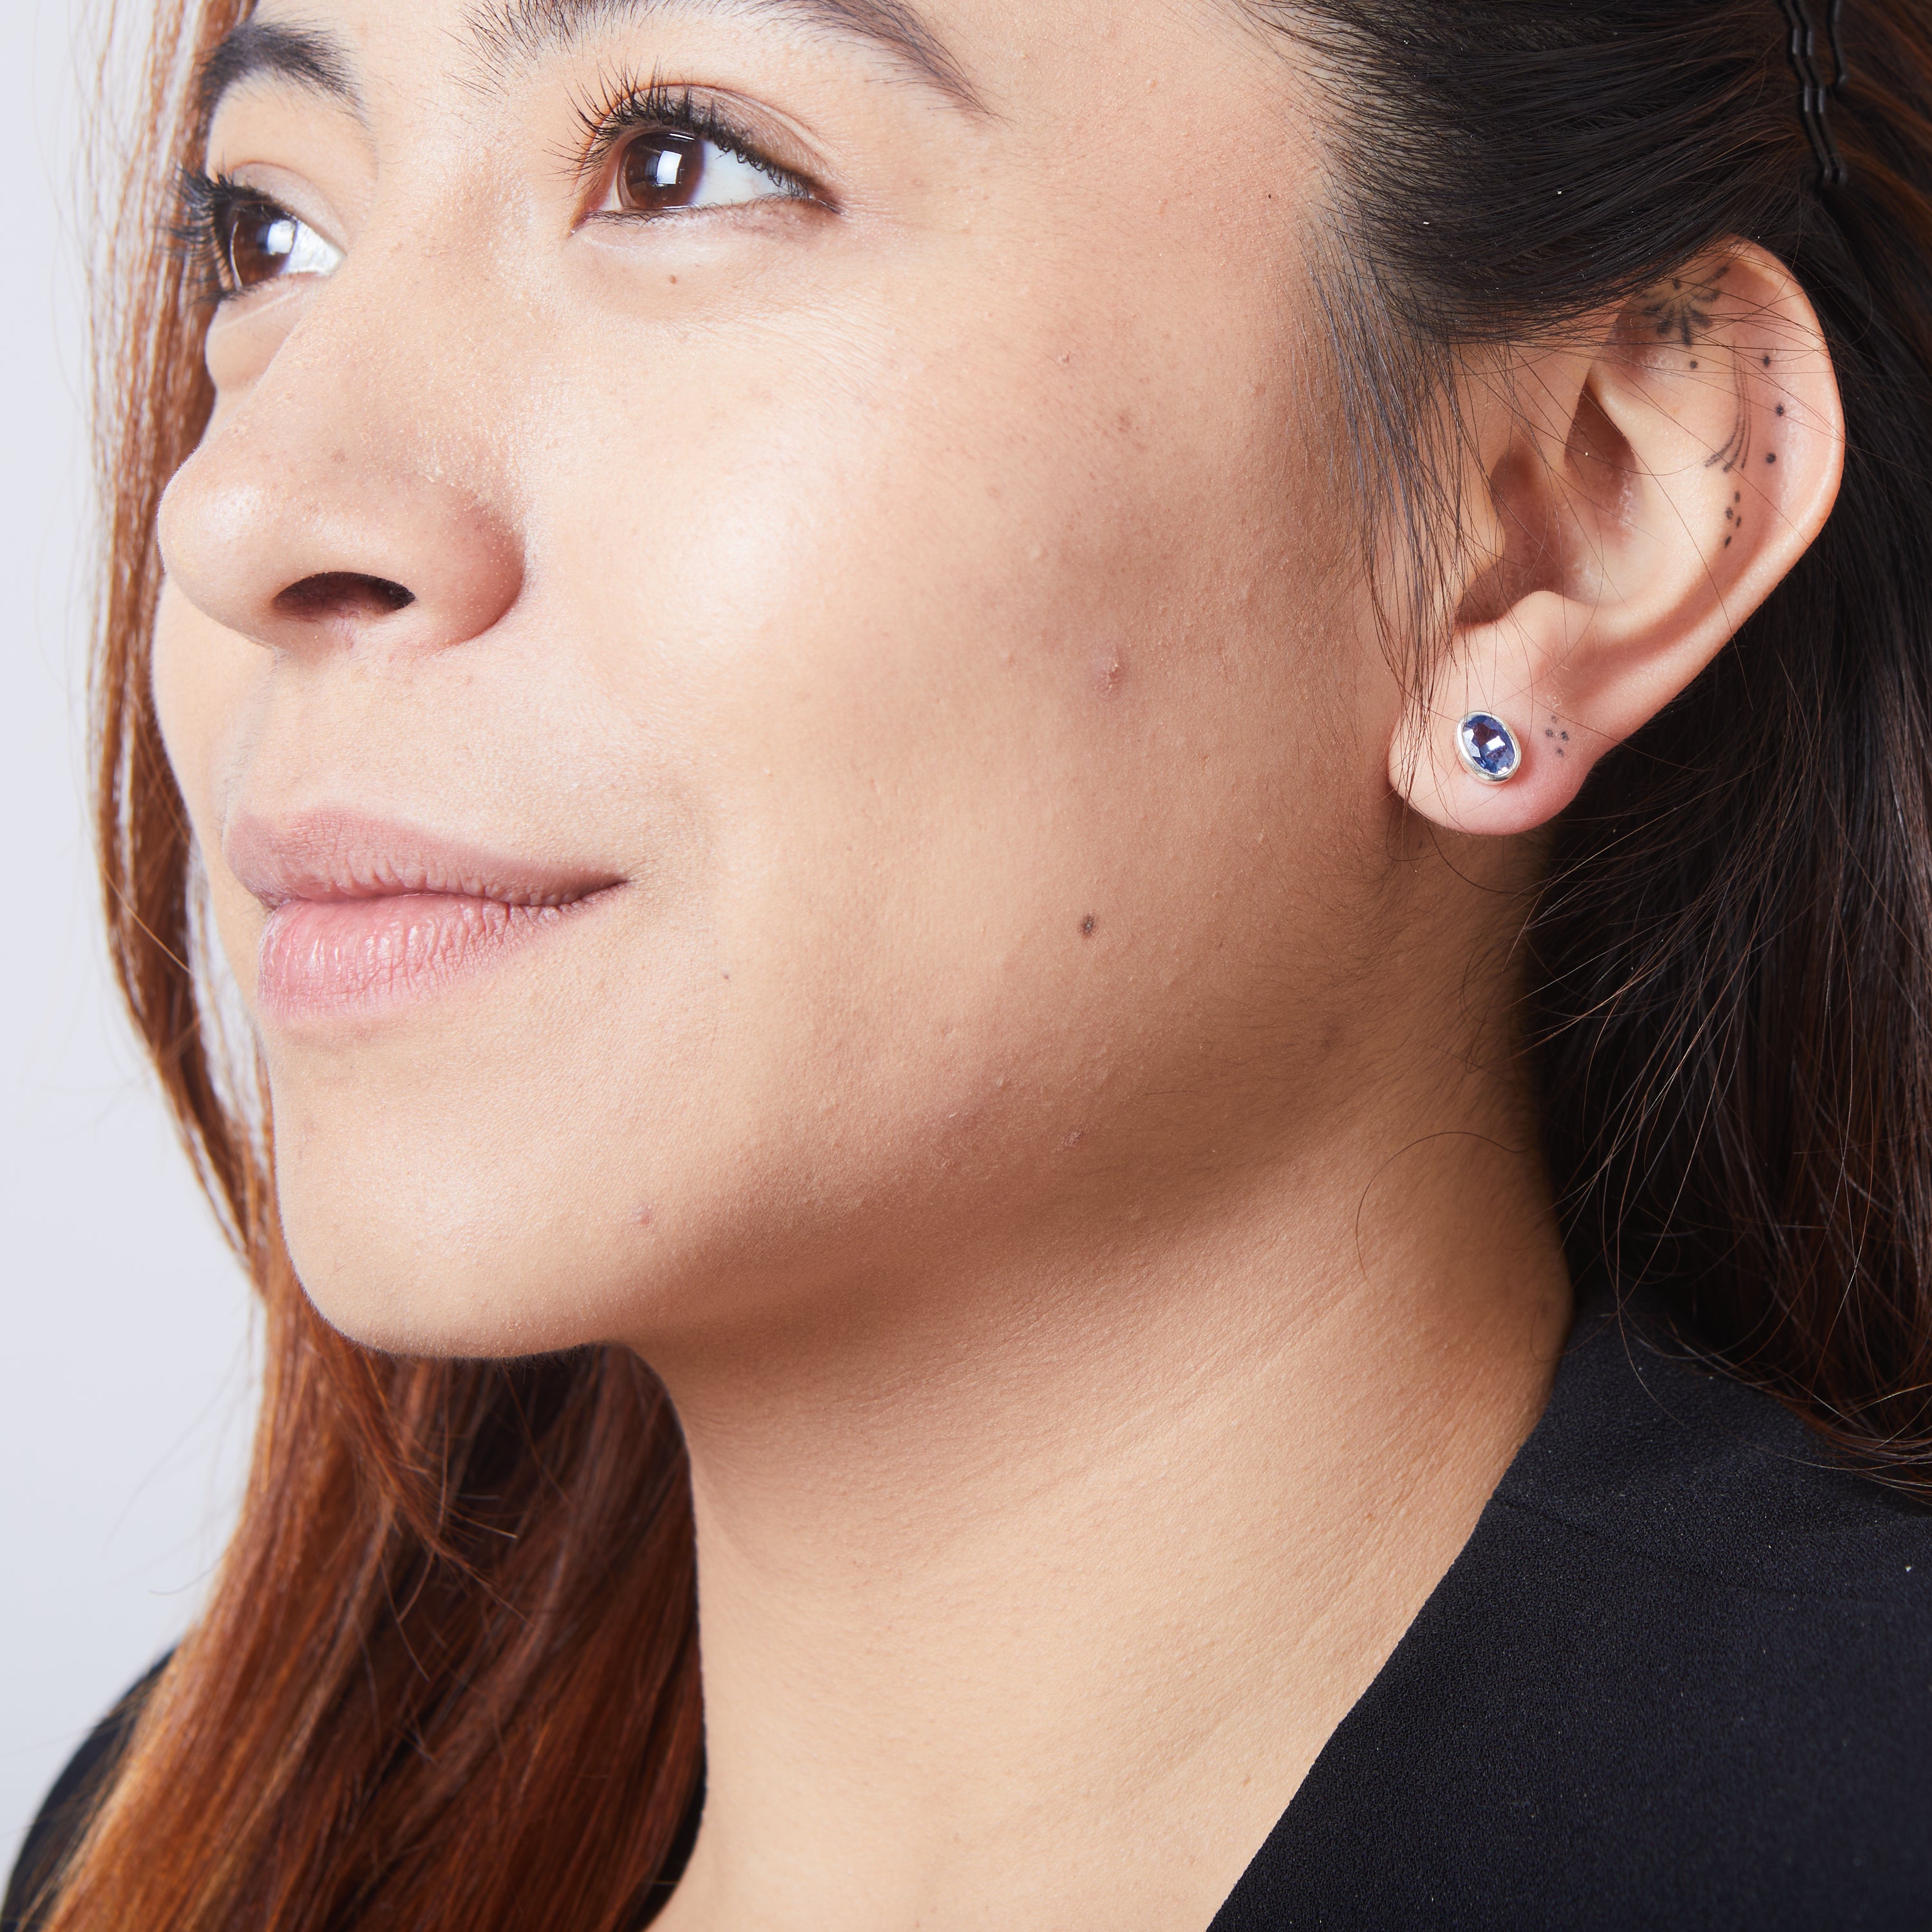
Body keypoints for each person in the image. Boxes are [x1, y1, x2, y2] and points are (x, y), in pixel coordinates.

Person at [8, 0, 1932, 1926]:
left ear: (1564, 524)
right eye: (267, 231)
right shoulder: (190, 1860)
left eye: (685, 164)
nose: (237, 511)